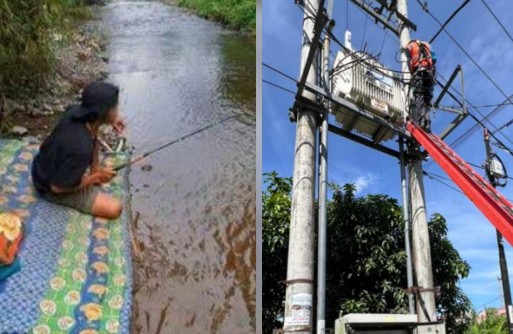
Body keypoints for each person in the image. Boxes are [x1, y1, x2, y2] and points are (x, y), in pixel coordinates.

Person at [31, 81, 126, 219]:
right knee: (115, 209)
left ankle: (94, 169)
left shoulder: (76, 112)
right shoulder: (81, 148)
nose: (117, 110)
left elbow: (95, 126)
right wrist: (96, 177)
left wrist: (112, 120)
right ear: (103, 112)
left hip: (40, 167)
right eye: (115, 108)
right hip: (48, 188)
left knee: (88, 165)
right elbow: (57, 188)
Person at [407, 40, 436, 132]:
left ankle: (422, 121)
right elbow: (434, 59)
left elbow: (409, 61)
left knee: (419, 97)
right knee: (426, 101)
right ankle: (427, 123)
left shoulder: (410, 45)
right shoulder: (427, 45)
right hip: (429, 74)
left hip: (419, 73)